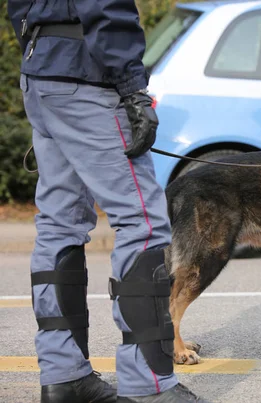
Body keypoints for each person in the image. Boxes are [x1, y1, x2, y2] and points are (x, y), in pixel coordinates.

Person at [7, 1, 209, 402]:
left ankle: (64, 377)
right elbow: (105, 6)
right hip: (88, 77)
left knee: (58, 224)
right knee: (142, 223)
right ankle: (148, 386)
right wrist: (133, 88)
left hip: (43, 73)